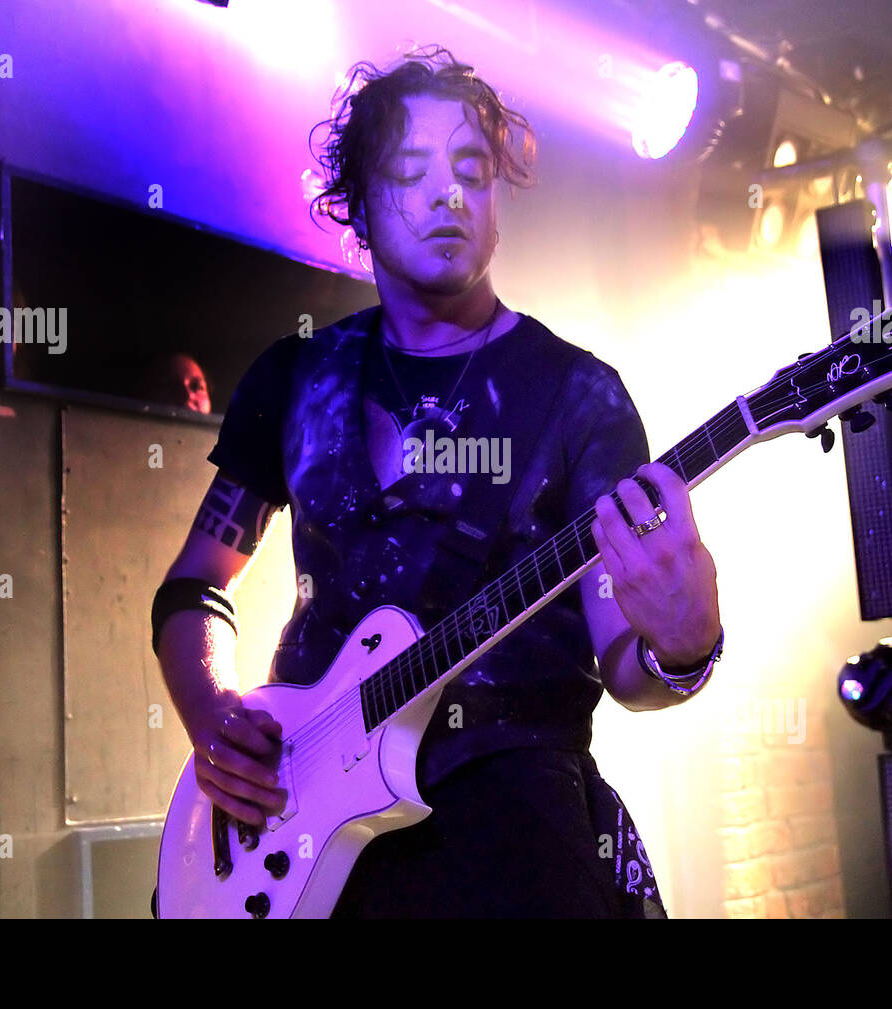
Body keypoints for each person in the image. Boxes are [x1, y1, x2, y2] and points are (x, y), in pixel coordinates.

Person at [151, 45, 722, 918]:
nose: (449, 194)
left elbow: (625, 660)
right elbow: (197, 580)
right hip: (302, 830)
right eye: (411, 171)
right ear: (360, 206)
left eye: (472, 170)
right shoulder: (297, 376)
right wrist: (210, 708)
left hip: (517, 836)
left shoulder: (578, 395)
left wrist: (681, 649)